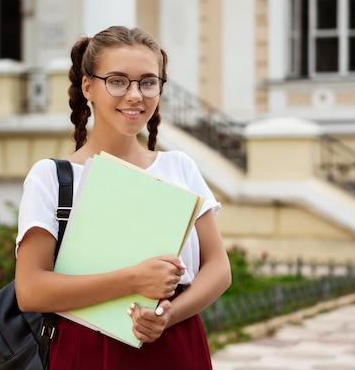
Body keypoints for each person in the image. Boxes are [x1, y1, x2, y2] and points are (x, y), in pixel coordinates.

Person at [14, 25, 232, 370]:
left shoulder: (180, 167)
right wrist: (133, 279)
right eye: (117, 81)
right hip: (86, 348)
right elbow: (30, 290)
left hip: (174, 342)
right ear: (89, 86)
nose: (135, 95)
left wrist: (167, 315)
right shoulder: (52, 177)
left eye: (148, 82)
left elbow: (219, 268)